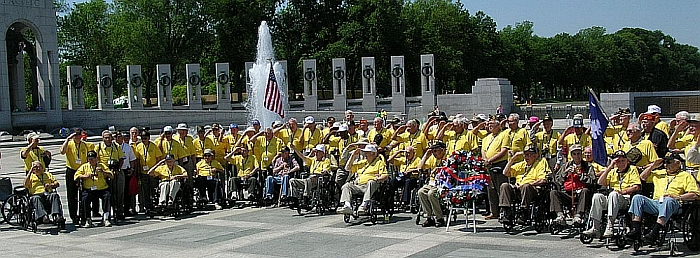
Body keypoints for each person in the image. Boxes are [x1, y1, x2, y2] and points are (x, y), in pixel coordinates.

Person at [627, 154, 699, 243]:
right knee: (637, 198)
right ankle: (635, 229)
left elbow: (695, 194)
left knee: (668, 200)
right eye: (665, 162)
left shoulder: (686, 176)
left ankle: (655, 232)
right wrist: (653, 165)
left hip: (674, 203)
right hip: (656, 202)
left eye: (669, 162)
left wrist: (678, 197)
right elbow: (642, 177)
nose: (665, 165)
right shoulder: (660, 173)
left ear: (678, 163)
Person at [583, 150, 641, 238]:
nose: (621, 163)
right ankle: (595, 227)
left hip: (625, 199)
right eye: (618, 161)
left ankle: (610, 226)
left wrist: (622, 192)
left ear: (627, 161)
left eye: (623, 161)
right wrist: (610, 167)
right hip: (611, 199)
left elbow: (636, 187)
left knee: (614, 194)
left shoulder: (632, 169)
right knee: (597, 196)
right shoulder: (613, 171)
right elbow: (600, 182)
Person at [499, 145, 550, 223]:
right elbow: (505, 173)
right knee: (504, 185)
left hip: (532, 190)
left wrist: (529, 184)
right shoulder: (522, 165)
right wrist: (513, 159)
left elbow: (543, 180)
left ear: (536, 155)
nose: (527, 157)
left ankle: (524, 211)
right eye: (525, 154)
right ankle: (506, 211)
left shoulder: (541, 163)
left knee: (526, 186)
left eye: (529, 154)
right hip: (518, 190)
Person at [549, 144, 595, 225]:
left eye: (578, 154)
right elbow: (557, 180)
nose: (577, 156)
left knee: (585, 191)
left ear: (581, 154)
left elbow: (592, 181)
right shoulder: (566, 165)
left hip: (581, 193)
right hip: (568, 193)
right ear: (571, 155)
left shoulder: (588, 166)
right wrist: (565, 173)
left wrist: (580, 174)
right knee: (553, 193)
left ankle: (578, 216)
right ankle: (560, 216)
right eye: (574, 154)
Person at [338, 144, 388, 215]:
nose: (365, 154)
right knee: (346, 185)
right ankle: (347, 206)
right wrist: (353, 156)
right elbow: (347, 168)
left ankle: (363, 205)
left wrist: (378, 178)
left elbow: (385, 175)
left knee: (371, 182)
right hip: (359, 185)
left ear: (373, 153)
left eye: (367, 152)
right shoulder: (363, 162)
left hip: (370, 185)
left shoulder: (379, 163)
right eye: (365, 152)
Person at [481, 114, 511, 220]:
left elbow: (504, 151)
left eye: (492, 123)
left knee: (501, 189)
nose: (489, 125)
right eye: (488, 123)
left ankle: (504, 211)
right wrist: (485, 160)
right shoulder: (486, 138)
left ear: (498, 125)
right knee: (491, 189)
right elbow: (483, 150)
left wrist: (490, 160)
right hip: (489, 166)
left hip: (500, 164)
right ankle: (494, 212)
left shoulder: (504, 135)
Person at [75, 151, 114, 227]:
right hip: (89, 189)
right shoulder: (84, 166)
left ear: (96, 159)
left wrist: (103, 172)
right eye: (89, 159)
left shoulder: (101, 165)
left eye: (92, 159)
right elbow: (76, 176)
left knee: (107, 196)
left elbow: (111, 175)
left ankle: (106, 218)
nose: (91, 161)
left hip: (101, 189)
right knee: (85, 198)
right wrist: (85, 176)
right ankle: (88, 219)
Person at [59, 131, 89, 223]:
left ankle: (83, 214)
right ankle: (73, 216)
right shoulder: (69, 143)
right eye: (75, 136)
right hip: (71, 171)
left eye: (78, 135)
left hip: (82, 170)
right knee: (72, 195)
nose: (77, 137)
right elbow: (62, 151)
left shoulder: (85, 145)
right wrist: (67, 139)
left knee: (83, 193)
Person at [416, 142, 448, 227]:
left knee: (431, 194)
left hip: (443, 183)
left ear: (442, 150)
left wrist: (439, 169)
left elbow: (450, 169)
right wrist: (426, 156)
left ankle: (439, 218)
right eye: (432, 151)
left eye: (436, 151)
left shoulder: (448, 157)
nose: (434, 153)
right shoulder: (432, 158)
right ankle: (429, 217)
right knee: (421, 192)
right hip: (432, 183)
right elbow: (420, 168)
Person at [94, 130, 125, 218]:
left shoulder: (116, 146)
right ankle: (106, 212)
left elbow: (122, 158)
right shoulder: (98, 147)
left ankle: (119, 211)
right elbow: (95, 159)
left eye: (109, 137)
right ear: (103, 138)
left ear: (112, 138)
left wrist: (118, 168)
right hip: (104, 172)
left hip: (116, 171)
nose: (108, 139)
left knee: (119, 192)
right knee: (106, 193)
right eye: (106, 138)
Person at [133, 131, 163, 213]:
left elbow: (158, 158)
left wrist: (156, 170)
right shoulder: (139, 146)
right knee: (145, 190)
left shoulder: (153, 146)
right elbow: (137, 160)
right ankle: (147, 206)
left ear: (149, 138)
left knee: (154, 189)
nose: (144, 140)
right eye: (142, 138)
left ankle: (155, 205)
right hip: (143, 172)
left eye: (145, 138)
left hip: (152, 172)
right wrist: (138, 171)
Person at [114, 131, 137, 221]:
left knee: (126, 192)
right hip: (115, 171)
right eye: (116, 136)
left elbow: (132, 159)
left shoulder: (127, 147)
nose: (117, 138)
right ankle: (116, 210)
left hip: (125, 170)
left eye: (119, 136)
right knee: (117, 192)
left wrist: (132, 169)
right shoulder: (113, 147)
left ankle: (126, 210)